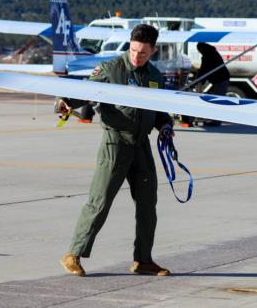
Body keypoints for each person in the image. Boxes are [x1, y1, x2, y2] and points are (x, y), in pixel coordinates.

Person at [60, 24, 173, 277]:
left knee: (148, 204)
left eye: (143, 53)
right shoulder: (111, 69)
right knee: (99, 201)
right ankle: (73, 254)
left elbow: (159, 109)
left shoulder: (155, 76)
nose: (137, 56)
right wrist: (67, 102)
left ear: (153, 51)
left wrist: (165, 125)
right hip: (116, 142)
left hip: (141, 145)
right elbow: (87, 91)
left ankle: (143, 260)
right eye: (133, 50)